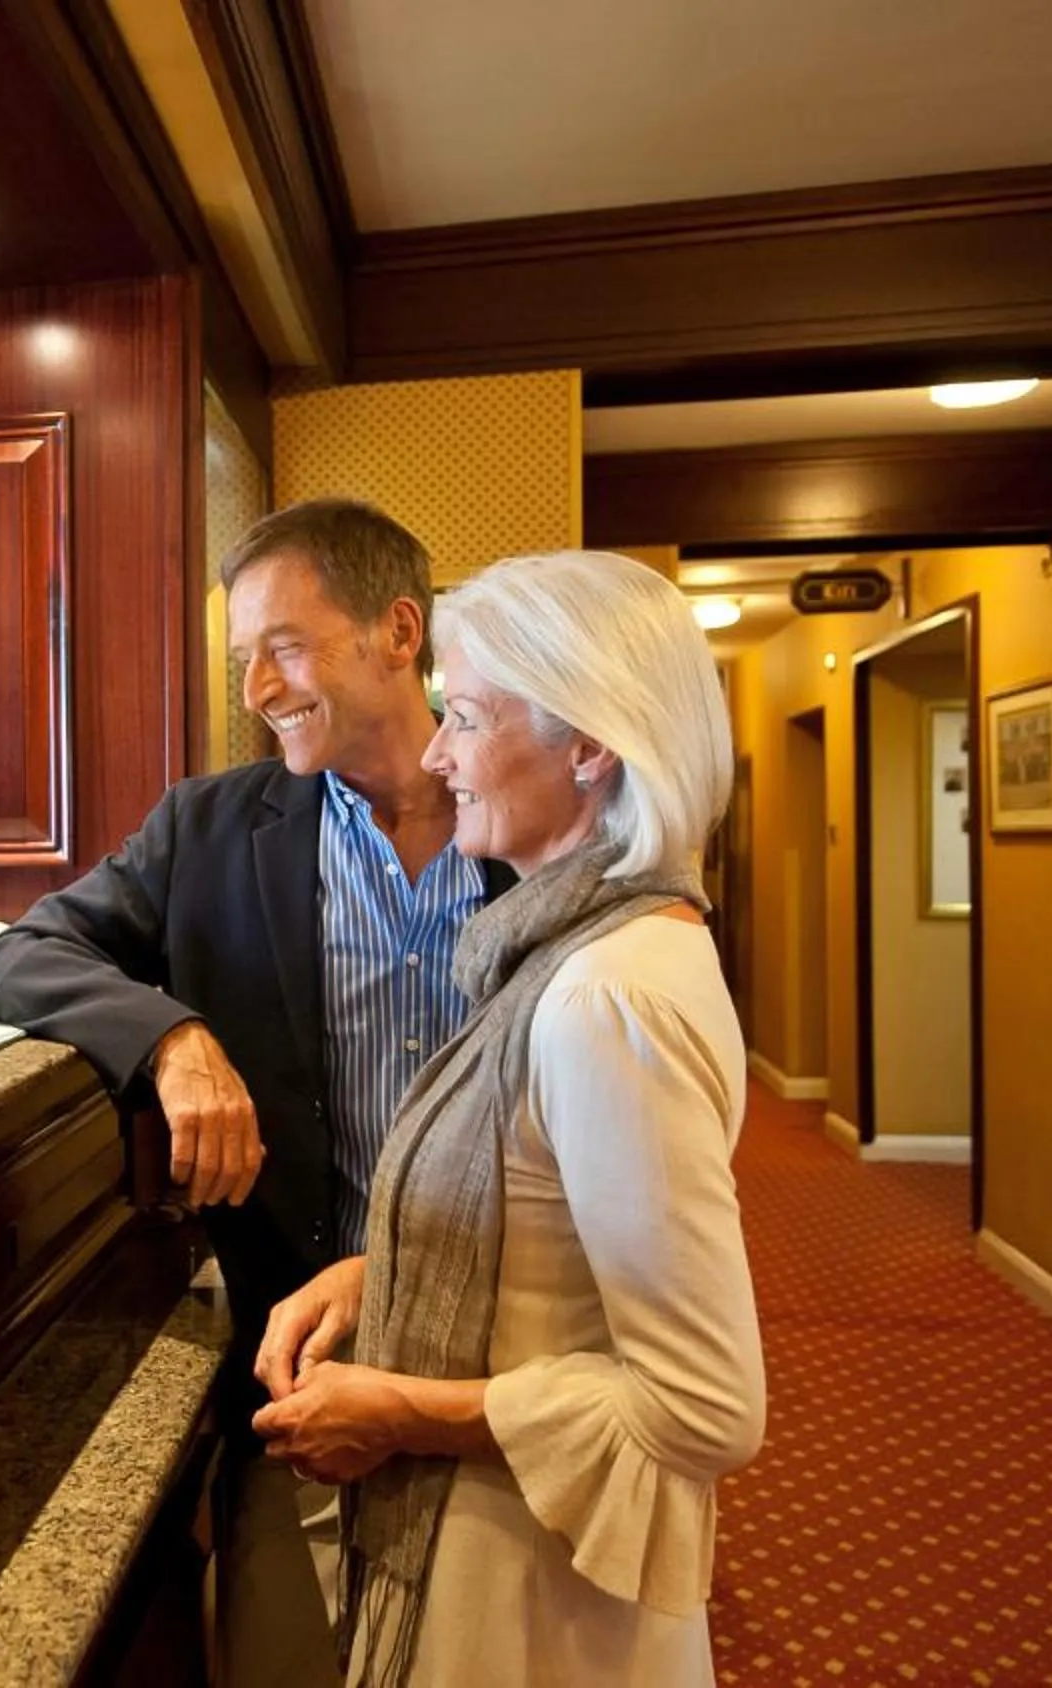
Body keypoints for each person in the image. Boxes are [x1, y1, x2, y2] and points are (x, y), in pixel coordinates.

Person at [0, 499, 509, 1684]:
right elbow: (20, 955)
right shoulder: (209, 826)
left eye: (285, 644)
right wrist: (171, 1036)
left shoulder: (521, 813)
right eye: (243, 660)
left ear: (399, 631)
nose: (259, 685)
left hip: (500, 1352)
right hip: (295, 1369)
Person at [249, 550, 765, 1687]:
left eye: (466, 716)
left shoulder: (604, 993)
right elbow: (547, 1238)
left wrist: (398, 1411)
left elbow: (706, 1405)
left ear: (589, 746)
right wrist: (386, 1271)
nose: (435, 752)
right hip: (507, 1546)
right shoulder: (580, 946)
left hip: (538, 1601)